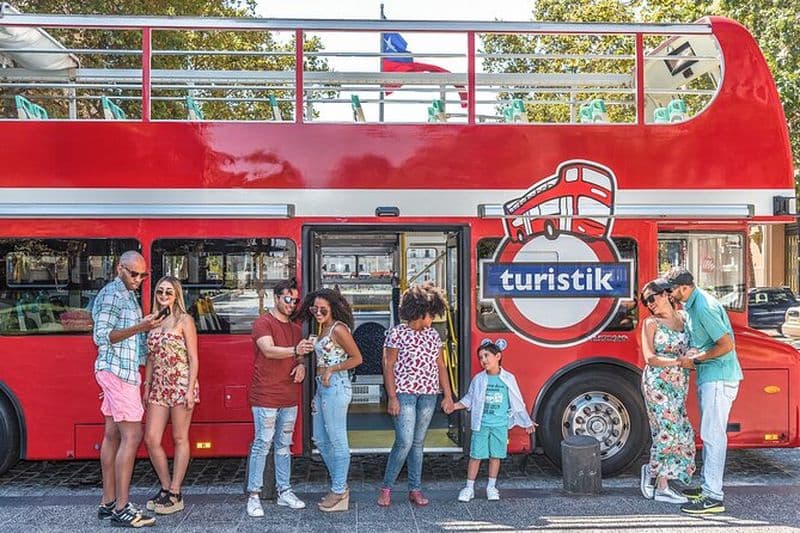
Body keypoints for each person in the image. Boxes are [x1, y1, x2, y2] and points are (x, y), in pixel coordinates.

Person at [92, 250, 162, 528]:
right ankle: (122, 507)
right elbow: (102, 336)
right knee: (132, 435)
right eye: (134, 274)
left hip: (117, 371)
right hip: (118, 373)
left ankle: (107, 503)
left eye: (143, 275)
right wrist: (141, 326)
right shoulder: (113, 294)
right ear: (120, 268)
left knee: (112, 435)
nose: (139, 279)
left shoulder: (126, 293)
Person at [666, 266, 743, 515]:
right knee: (710, 433)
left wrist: (696, 359)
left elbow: (726, 345)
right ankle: (708, 488)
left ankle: (713, 497)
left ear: (684, 288)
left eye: (672, 288)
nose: (670, 293)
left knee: (713, 435)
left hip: (719, 377)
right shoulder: (692, 304)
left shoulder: (703, 307)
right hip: (712, 376)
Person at [378, 283, 455, 507]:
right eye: (432, 314)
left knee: (418, 443)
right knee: (404, 441)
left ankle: (415, 489)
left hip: (429, 394)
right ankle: (386, 487)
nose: (433, 318)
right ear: (421, 312)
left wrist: (448, 396)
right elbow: (388, 366)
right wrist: (392, 397)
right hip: (404, 394)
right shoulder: (397, 334)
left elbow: (441, 366)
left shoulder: (433, 335)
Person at [245, 279, 313, 517]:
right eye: (288, 299)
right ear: (276, 297)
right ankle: (254, 495)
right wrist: (297, 352)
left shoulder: (295, 328)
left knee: (284, 446)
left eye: (295, 301)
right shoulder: (263, 323)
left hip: (288, 396)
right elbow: (268, 349)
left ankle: (284, 491)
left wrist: (302, 365)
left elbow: (297, 358)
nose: (292, 305)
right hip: (265, 395)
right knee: (262, 444)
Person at [294, 288, 363, 512]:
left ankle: (339, 489)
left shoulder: (338, 329)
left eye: (323, 308)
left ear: (333, 308)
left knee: (337, 441)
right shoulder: (321, 328)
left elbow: (357, 358)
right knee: (320, 439)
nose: (318, 312)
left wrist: (332, 368)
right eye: (315, 308)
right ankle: (339, 487)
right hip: (323, 388)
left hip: (337, 386)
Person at [450, 340, 535, 502]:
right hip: (481, 424)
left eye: (486, 356)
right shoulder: (479, 379)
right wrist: (454, 406)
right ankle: (469, 488)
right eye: (481, 357)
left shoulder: (508, 378)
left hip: (500, 425)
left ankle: (491, 487)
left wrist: (527, 421)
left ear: (498, 356)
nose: (484, 360)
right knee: (475, 456)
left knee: (495, 456)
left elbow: (517, 401)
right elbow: (470, 398)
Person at [142, 277, 199, 515]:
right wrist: (147, 385)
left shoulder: (185, 320)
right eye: (159, 291)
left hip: (180, 384)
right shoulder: (152, 321)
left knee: (179, 437)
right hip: (158, 386)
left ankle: (176, 491)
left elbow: (194, 358)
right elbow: (151, 357)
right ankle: (165, 487)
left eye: (168, 291)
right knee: (151, 438)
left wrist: (189, 389)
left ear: (177, 295)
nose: (163, 295)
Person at [638, 278, 696, 504]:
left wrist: (693, 357)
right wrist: (679, 363)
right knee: (667, 431)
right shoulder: (650, 323)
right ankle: (662, 486)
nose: (650, 304)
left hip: (679, 383)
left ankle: (651, 472)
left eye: (653, 298)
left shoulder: (684, 318)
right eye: (646, 301)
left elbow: (694, 345)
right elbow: (649, 357)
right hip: (657, 382)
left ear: (665, 294)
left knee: (682, 431)